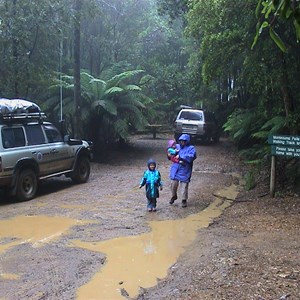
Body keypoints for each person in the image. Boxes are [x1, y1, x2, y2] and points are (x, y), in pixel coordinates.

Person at [168, 134, 196, 207]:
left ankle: (184, 200)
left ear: (187, 141)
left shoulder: (191, 148)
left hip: (185, 169)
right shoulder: (177, 146)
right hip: (176, 169)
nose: (182, 142)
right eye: (181, 141)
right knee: (173, 184)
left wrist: (181, 157)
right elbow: (171, 151)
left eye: (184, 141)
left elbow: (192, 156)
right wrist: (169, 155)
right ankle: (174, 196)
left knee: (184, 186)